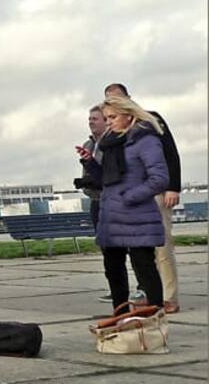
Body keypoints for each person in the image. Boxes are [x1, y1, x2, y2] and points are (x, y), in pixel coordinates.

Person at [77, 96, 168, 311]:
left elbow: (160, 178)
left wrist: (130, 196)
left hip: (136, 216)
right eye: (106, 118)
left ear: (129, 115)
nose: (108, 122)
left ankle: (154, 318)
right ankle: (120, 315)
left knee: (144, 269)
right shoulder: (110, 143)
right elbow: (106, 180)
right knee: (113, 269)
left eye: (112, 117)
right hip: (111, 216)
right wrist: (89, 162)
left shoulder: (146, 140)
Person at [104, 83, 181, 313]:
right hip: (131, 196)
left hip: (154, 191)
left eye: (117, 100)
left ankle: (169, 296)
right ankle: (147, 292)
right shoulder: (115, 132)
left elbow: (170, 152)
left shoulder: (150, 122)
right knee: (140, 252)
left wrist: (173, 187)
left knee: (162, 245)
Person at [76, 105, 113, 304]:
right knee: (104, 246)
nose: (91, 122)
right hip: (95, 200)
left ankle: (140, 287)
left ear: (106, 121)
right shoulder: (88, 144)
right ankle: (113, 286)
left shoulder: (112, 144)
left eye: (95, 119)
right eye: (89, 119)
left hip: (111, 199)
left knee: (123, 246)